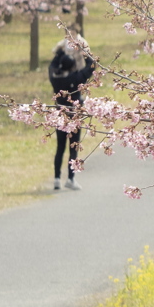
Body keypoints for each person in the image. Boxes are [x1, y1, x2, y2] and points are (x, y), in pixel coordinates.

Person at [48, 32, 95, 190]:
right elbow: (92, 65)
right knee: (73, 146)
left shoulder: (55, 77)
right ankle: (70, 178)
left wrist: (61, 50)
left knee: (60, 147)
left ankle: (56, 179)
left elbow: (53, 64)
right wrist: (83, 50)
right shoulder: (76, 78)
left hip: (60, 114)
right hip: (74, 114)